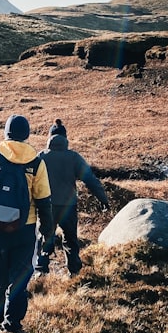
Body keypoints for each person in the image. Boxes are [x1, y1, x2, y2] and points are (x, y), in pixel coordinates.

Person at [0, 114, 53, 333]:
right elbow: (44, 202)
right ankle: (12, 324)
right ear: (26, 135)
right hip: (25, 229)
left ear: (6, 133)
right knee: (19, 279)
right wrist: (47, 234)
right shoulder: (36, 163)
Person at [36, 118, 109, 277]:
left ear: (49, 138)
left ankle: (41, 271)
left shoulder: (41, 156)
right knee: (70, 239)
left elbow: (30, 180)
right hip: (68, 205)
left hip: (46, 205)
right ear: (65, 139)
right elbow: (90, 179)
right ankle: (74, 271)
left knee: (44, 236)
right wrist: (103, 199)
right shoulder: (74, 157)